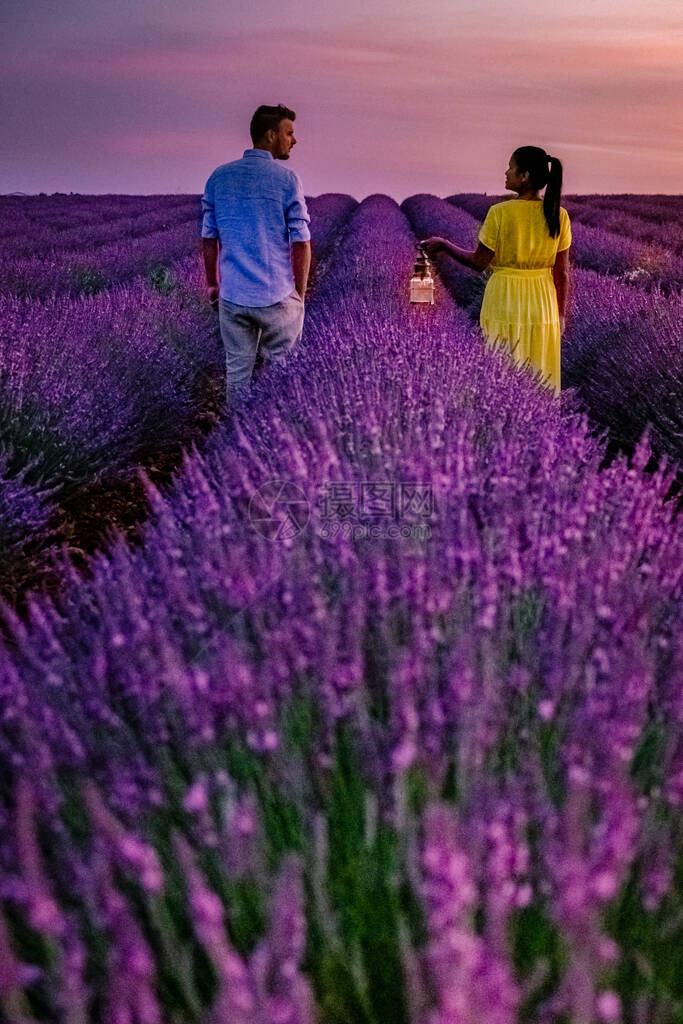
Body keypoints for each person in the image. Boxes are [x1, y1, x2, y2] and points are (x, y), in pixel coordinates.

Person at [422, 147, 571, 394]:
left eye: (511, 167)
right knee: (539, 368)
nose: (506, 172)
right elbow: (562, 273)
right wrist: (561, 315)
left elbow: (479, 262)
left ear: (524, 176)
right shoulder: (559, 216)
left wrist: (445, 246)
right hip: (543, 301)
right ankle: (540, 427)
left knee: (502, 364)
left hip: (506, 297)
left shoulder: (500, 213)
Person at [201, 104, 311, 405]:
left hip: (234, 297)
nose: (294, 140)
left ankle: (236, 441)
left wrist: (212, 284)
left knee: (237, 378)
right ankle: (273, 442)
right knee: (282, 381)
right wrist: (298, 295)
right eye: (289, 133)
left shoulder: (218, 177)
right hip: (276, 296)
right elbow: (301, 242)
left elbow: (209, 237)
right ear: (271, 135)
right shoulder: (287, 179)